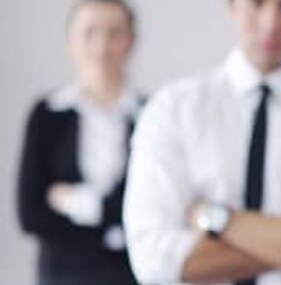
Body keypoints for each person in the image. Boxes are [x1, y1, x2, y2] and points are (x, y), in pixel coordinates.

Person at [122, 0, 281, 284]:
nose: (270, 23)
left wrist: (217, 218)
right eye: (256, 3)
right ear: (231, 6)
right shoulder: (172, 109)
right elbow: (154, 261)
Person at [16, 0, 142, 284]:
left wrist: (80, 203)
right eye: (90, 33)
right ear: (71, 41)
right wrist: (114, 217)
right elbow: (30, 214)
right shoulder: (48, 114)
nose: (102, 46)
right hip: (63, 274)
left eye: (114, 33)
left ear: (131, 42)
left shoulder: (151, 115)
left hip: (132, 273)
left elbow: (152, 206)